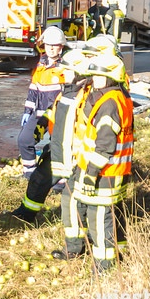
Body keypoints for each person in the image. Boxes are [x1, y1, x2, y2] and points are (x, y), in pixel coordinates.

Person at [54, 50, 134, 274]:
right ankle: (116, 254)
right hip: (115, 170)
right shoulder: (118, 97)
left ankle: (104, 268)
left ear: (110, 77)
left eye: (99, 76)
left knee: (99, 218)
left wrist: (90, 173)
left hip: (105, 172)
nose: (94, 80)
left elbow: (104, 146)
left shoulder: (109, 104)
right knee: (109, 214)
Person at [10, 26, 70, 224]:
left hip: (58, 115)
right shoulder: (41, 64)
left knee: (58, 149)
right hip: (40, 115)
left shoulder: (66, 66)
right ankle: (29, 174)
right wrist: (28, 112)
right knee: (25, 140)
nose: (52, 49)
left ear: (62, 46)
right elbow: (33, 91)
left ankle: (60, 183)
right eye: (48, 45)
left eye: (55, 45)